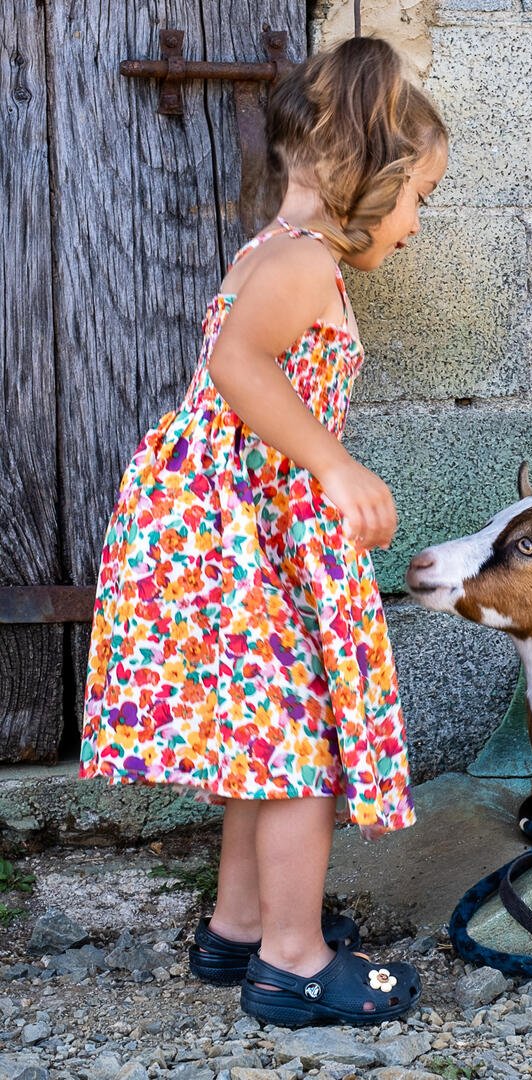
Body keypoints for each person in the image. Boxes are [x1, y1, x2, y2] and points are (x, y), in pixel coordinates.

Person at [79, 35, 448, 1027]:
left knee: (267, 735)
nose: (416, 227)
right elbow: (245, 368)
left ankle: (239, 924)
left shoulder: (275, 254)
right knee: (297, 748)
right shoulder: (301, 267)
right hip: (223, 537)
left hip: (225, 532)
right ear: (368, 179)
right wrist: (334, 463)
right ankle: (290, 961)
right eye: (419, 198)